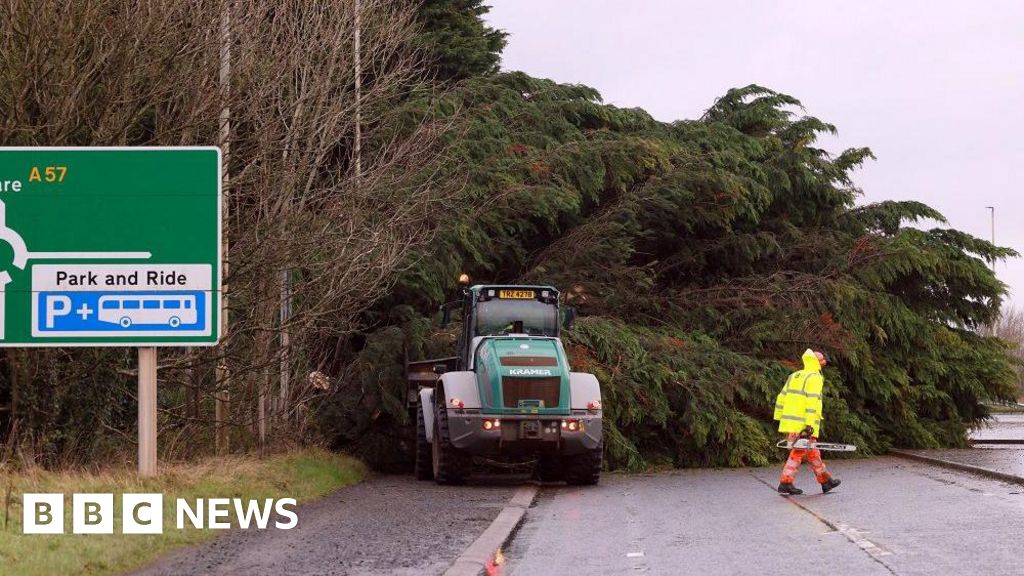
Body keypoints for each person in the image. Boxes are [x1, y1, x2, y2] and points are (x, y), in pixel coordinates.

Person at [773, 349, 841, 495]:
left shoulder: (794, 375)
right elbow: (812, 403)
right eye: (824, 362)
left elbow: (781, 397)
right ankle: (786, 482)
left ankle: (825, 481)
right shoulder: (815, 377)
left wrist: (779, 418)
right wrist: (809, 425)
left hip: (792, 423)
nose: (824, 364)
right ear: (818, 362)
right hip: (804, 424)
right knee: (798, 452)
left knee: (812, 452)